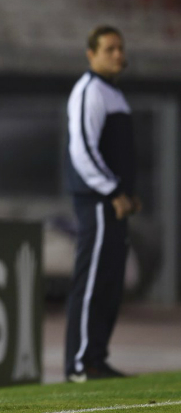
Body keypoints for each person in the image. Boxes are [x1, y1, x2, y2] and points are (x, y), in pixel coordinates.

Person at [64, 25, 141, 383]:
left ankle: (96, 358)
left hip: (114, 202)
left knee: (110, 281)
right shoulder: (89, 90)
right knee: (93, 280)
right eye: (109, 49)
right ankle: (80, 363)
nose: (118, 55)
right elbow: (82, 150)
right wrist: (113, 191)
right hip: (97, 201)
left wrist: (127, 191)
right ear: (90, 54)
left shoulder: (114, 94)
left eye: (120, 48)